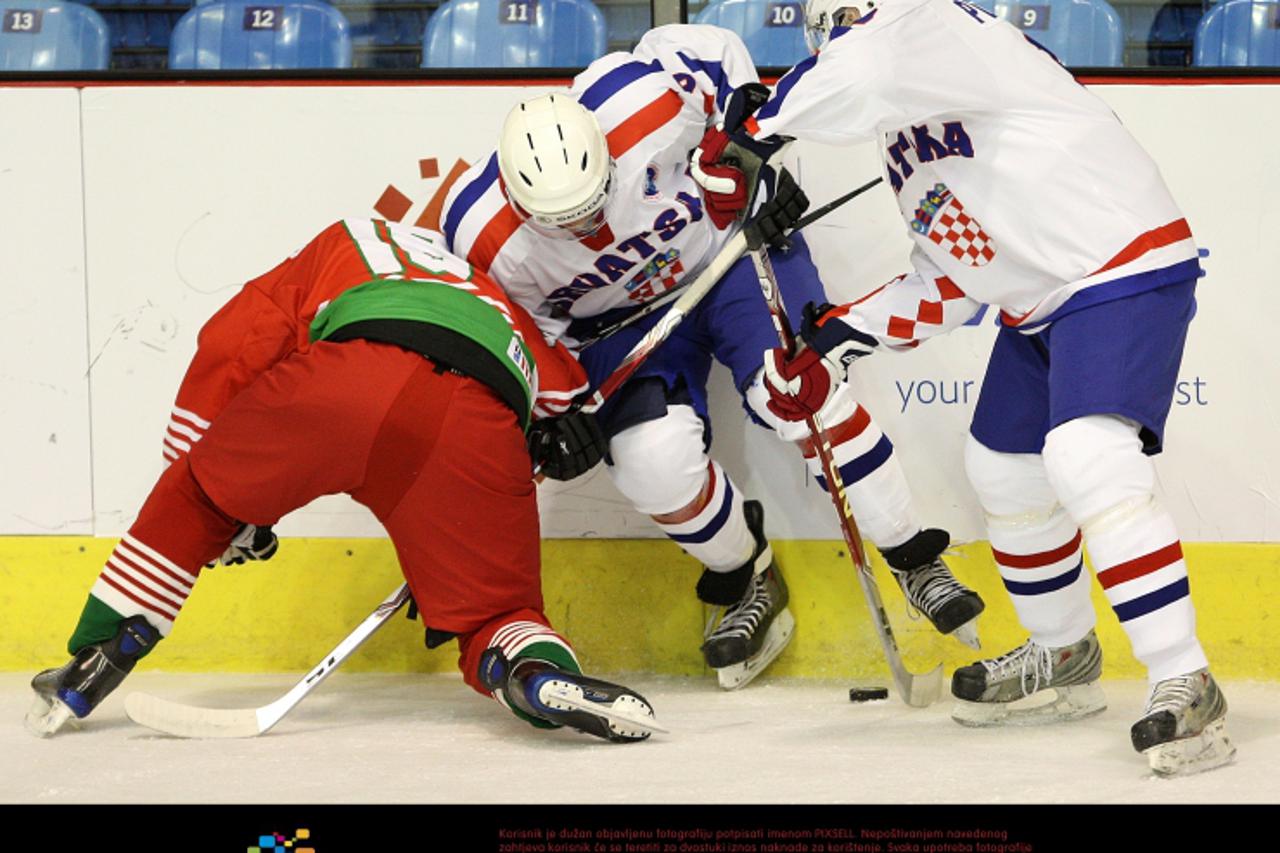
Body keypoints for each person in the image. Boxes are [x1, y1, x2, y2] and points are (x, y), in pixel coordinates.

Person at [695, 0, 1233, 774]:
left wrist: (755, 131)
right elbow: (955, 274)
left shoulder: (939, 28)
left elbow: (867, 61)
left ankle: (1186, 674)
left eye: (847, 19)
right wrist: (835, 337)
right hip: (1042, 300)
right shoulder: (904, 133)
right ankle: (1063, 652)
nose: (837, 35)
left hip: (1120, 266)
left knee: (1086, 452)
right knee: (1003, 466)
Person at [440, 24, 985, 691]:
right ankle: (747, 575)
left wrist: (754, 166)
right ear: (519, 202)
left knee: (799, 388)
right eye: (566, 224)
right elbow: (517, 337)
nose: (589, 228)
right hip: (620, 322)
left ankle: (912, 555)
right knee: (651, 464)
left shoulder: (639, 101)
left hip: (732, 254)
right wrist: (554, 413)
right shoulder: (481, 233)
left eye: (595, 203)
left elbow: (727, 62)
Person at [25, 218, 662, 744]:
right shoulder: (509, 310)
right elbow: (563, 413)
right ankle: (533, 673)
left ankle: (93, 662)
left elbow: (238, 342)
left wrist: (211, 488)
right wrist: (564, 443)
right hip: (470, 424)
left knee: (193, 499)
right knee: (498, 612)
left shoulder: (352, 237)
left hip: (346, 379)